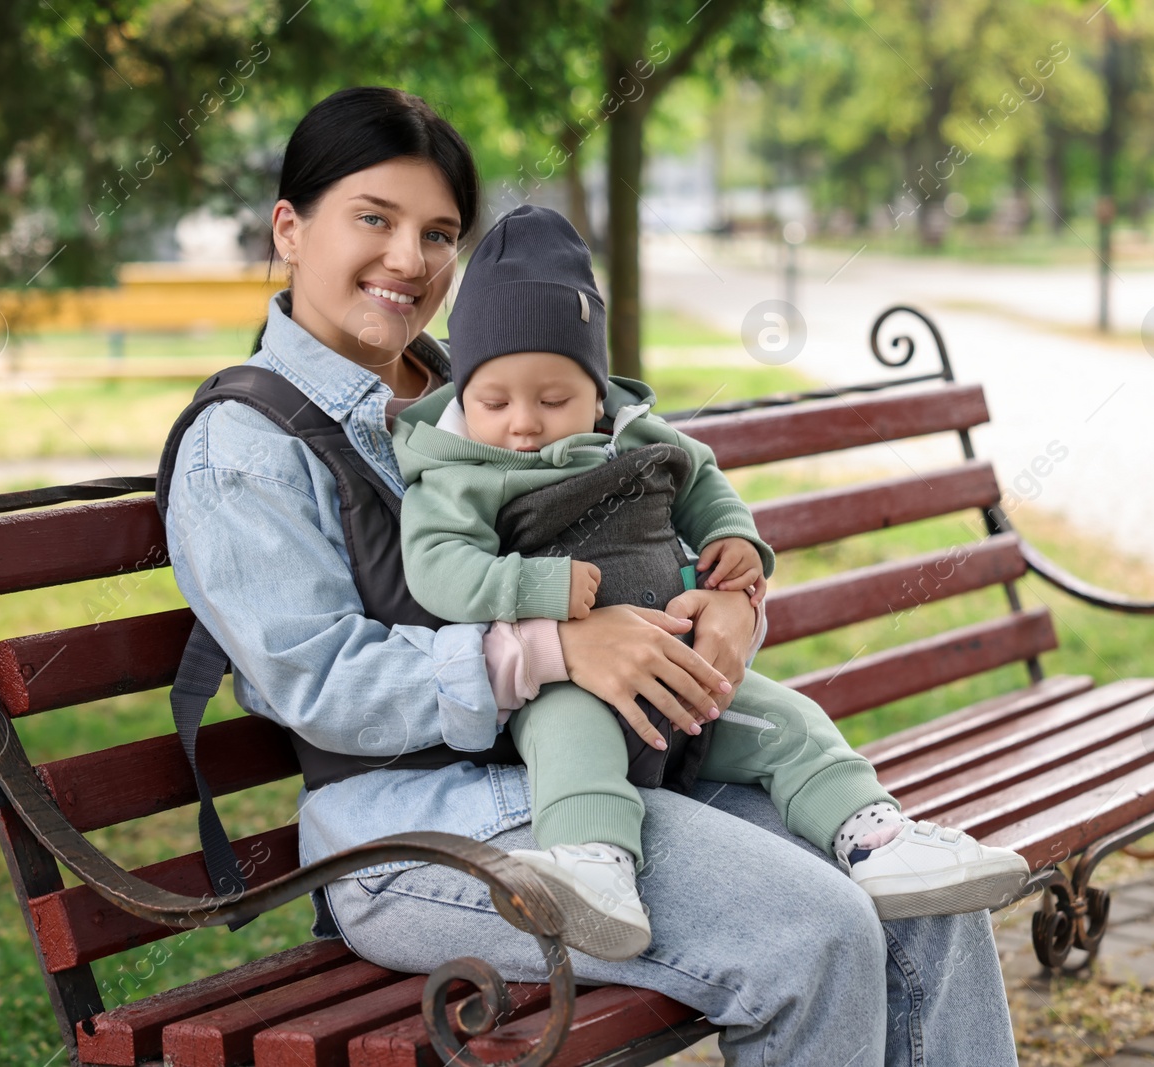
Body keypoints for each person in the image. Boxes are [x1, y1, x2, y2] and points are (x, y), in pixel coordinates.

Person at [163, 85, 1022, 1066]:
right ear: (290, 227)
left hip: (607, 773)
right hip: (414, 831)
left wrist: (731, 602)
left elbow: (650, 524)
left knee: (918, 902)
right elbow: (313, 679)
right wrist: (549, 648)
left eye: (439, 231)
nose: (410, 258)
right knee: (812, 930)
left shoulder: (490, 387)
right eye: (374, 218)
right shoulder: (245, 446)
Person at [391, 204, 1031, 962]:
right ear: (465, 393)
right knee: (572, 743)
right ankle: (594, 864)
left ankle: (876, 836)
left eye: (554, 399)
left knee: (791, 723)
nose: (524, 424)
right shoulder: (459, 472)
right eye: (495, 402)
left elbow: (706, 486)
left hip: (691, 681)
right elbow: (438, 567)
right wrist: (536, 589)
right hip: (571, 686)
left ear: (597, 392)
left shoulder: (639, 438)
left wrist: (736, 547)